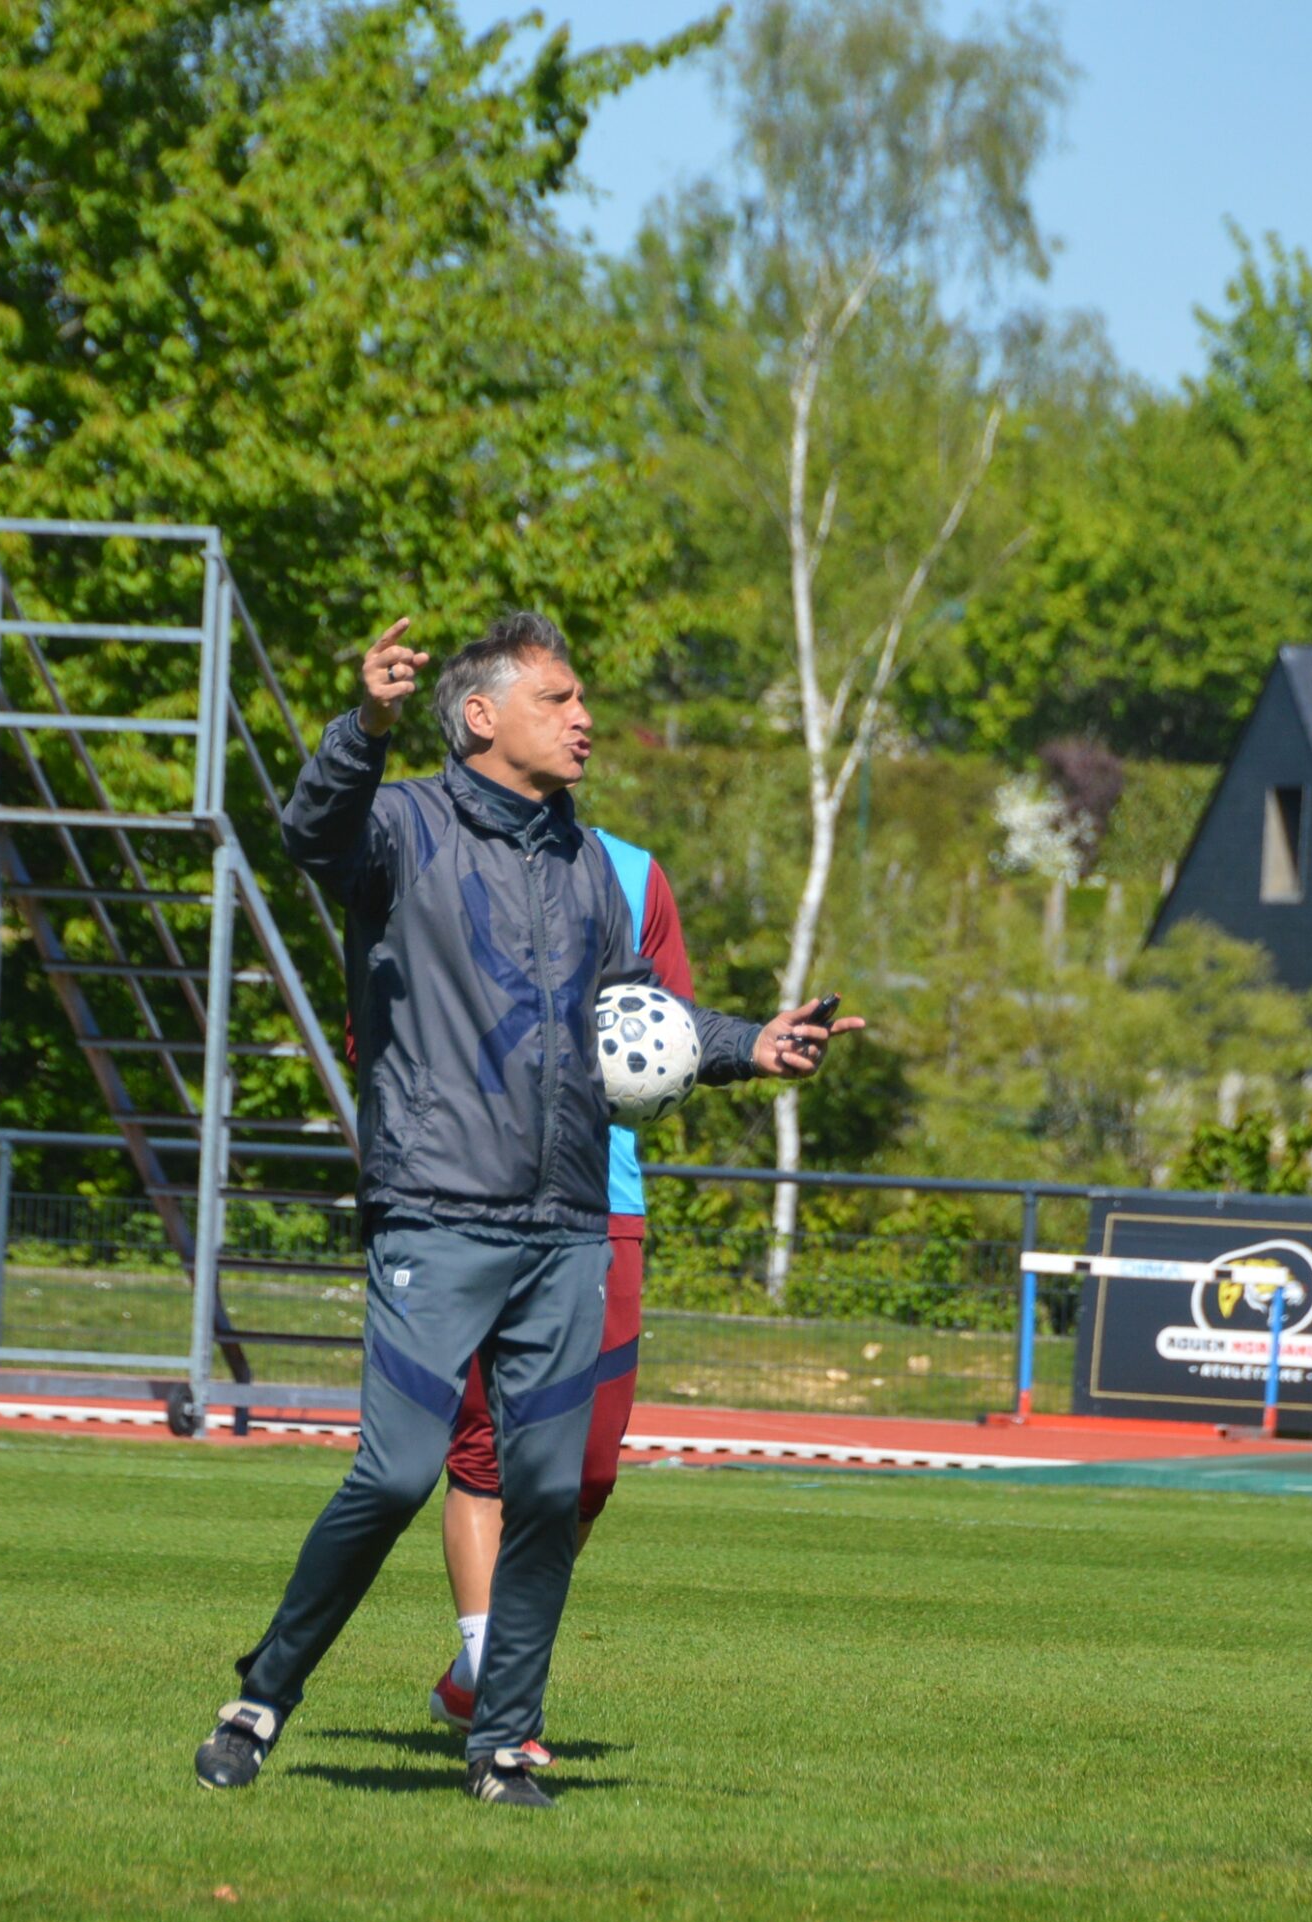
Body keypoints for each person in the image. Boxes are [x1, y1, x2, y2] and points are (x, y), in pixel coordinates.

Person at [194, 611, 860, 1807]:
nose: (583, 717)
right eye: (557, 698)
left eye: (580, 697)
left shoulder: (587, 864)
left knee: (548, 1494)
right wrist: (363, 726)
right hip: (435, 1210)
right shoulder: (399, 823)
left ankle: (500, 1746)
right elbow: (310, 832)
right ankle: (263, 1693)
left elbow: (639, 1015)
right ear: (480, 714)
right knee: (394, 1477)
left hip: (564, 1225)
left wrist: (746, 1044)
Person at [426, 822, 692, 1751]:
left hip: (603, 1204)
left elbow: (675, 1030)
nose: (579, 744)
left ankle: (477, 1678)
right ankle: (497, 1685)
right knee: (487, 1452)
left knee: (589, 1470)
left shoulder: (635, 872)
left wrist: (747, 1045)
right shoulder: (434, 852)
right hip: (472, 1195)